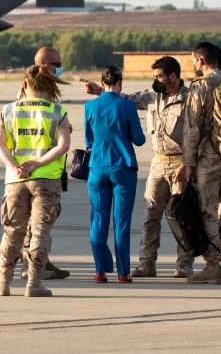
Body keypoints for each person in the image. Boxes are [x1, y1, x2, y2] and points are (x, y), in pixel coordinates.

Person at [83, 56, 194, 278]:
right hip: (158, 162)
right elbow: (125, 100)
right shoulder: (152, 97)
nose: (156, 80)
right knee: (151, 213)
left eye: (159, 76)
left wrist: (189, 163)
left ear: (173, 76)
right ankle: (147, 263)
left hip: (181, 162)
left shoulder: (191, 99)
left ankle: (184, 264)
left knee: (182, 215)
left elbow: (198, 132)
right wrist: (100, 92)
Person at [0, 65, 72, 297]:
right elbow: (63, 146)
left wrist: (14, 165)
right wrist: (38, 163)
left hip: (15, 179)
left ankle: (2, 282)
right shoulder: (57, 111)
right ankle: (34, 283)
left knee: (12, 231)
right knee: (40, 232)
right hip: (46, 179)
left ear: (24, 85)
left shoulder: (8, 110)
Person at [175, 42, 221, 285]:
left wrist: (188, 162)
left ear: (201, 61)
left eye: (193, 61)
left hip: (210, 158)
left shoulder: (201, 87)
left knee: (208, 212)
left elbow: (193, 127)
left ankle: (212, 265)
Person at [83, 66, 145, 283]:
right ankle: (123, 272)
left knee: (98, 220)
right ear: (120, 82)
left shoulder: (90, 106)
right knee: (121, 222)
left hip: (97, 168)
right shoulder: (127, 105)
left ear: (102, 81)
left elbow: (88, 140)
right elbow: (139, 139)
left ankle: (100, 270)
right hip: (123, 167)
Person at [22, 45, 71, 280]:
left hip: (46, 166)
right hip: (38, 168)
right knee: (38, 221)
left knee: (40, 221)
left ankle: (41, 261)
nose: (60, 68)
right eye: (56, 64)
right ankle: (33, 266)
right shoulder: (33, 92)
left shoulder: (45, 90)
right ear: (44, 64)